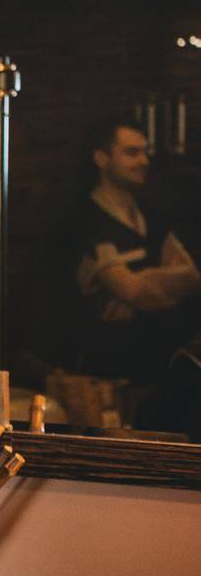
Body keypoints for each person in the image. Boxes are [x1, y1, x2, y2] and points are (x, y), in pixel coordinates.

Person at [72, 115, 201, 396]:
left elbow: (192, 277)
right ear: (101, 158)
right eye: (132, 152)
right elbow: (133, 291)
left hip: (160, 369)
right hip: (109, 372)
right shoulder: (86, 222)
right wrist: (159, 287)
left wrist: (144, 280)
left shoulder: (153, 216)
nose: (143, 161)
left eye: (145, 152)